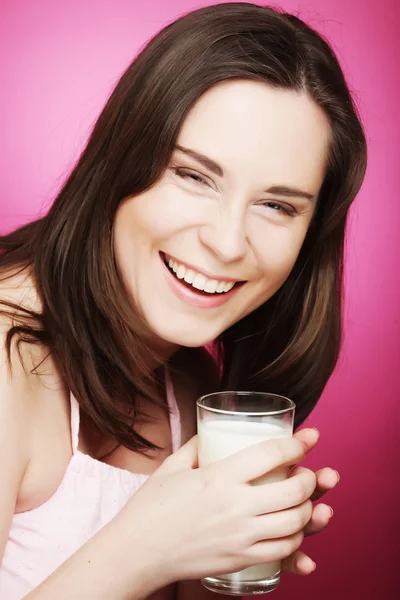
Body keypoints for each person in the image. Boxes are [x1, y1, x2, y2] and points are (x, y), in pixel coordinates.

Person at [0, 2, 367, 599]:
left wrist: (222, 548)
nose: (227, 244)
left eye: (277, 205)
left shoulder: (191, 385)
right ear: (120, 163)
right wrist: (146, 548)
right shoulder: (6, 359)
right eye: (194, 176)